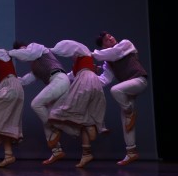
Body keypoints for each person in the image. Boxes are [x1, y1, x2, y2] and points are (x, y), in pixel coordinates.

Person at [8, 40, 70, 165]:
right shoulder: (35, 66)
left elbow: (28, 54)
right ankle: (57, 150)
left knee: (36, 104)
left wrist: (9, 53)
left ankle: (55, 129)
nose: (22, 54)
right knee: (47, 116)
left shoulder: (36, 48)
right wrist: (8, 78)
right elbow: (24, 81)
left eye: (22, 50)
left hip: (59, 79)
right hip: (56, 83)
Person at [48, 39, 108, 168]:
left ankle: (59, 131)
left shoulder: (84, 52)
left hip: (85, 81)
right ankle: (87, 153)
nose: (72, 56)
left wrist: (50, 50)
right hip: (94, 83)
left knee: (61, 109)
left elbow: (68, 45)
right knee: (82, 120)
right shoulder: (77, 65)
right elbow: (68, 76)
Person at [93, 31, 149, 166]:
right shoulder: (108, 62)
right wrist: (89, 77)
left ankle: (130, 111)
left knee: (115, 90)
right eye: (106, 39)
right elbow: (104, 80)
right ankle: (131, 152)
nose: (110, 38)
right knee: (126, 122)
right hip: (127, 90)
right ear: (103, 46)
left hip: (139, 80)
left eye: (110, 36)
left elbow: (113, 53)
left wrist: (90, 54)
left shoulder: (125, 44)